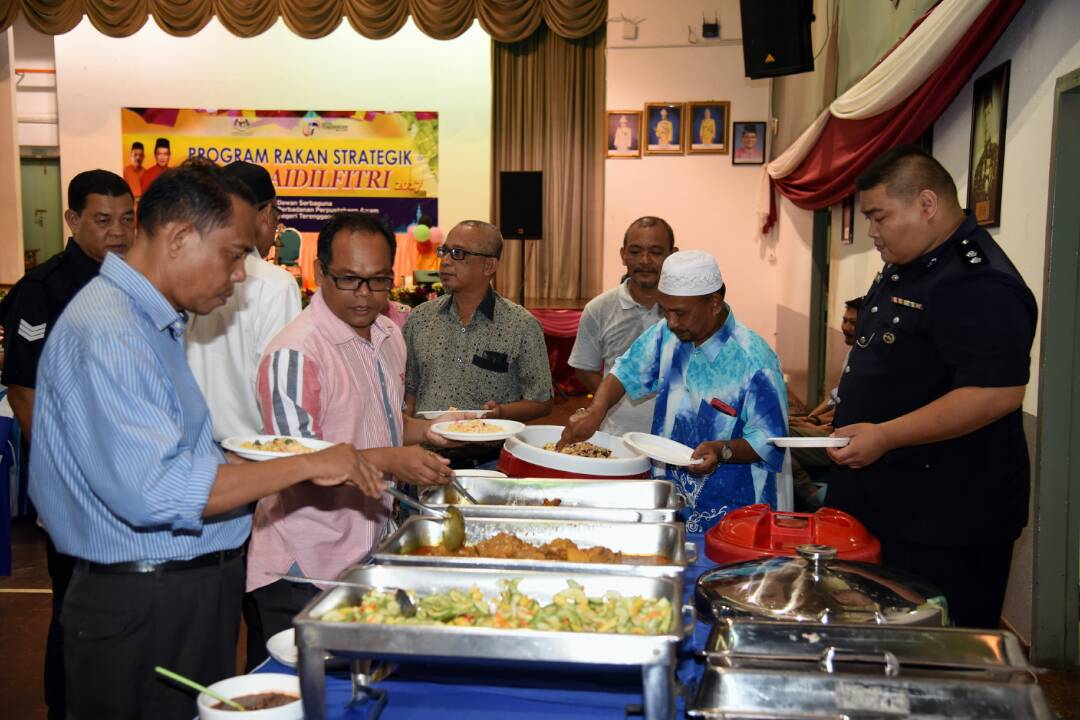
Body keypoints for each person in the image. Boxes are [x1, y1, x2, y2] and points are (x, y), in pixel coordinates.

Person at [27, 165, 384, 720]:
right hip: (145, 600)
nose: (239, 274)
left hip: (178, 591)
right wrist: (307, 462)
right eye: (232, 255)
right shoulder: (112, 332)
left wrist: (247, 460)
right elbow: (160, 491)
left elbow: (173, 456)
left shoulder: (150, 322)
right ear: (178, 238)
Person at [825, 145, 1037, 629]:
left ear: (926, 203)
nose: (872, 232)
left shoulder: (978, 282)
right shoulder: (913, 265)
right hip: (891, 500)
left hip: (946, 515)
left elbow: (995, 394)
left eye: (879, 216)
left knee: (937, 645)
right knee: (880, 638)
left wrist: (886, 435)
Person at [246, 211, 456, 658]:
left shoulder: (388, 334)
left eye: (378, 281)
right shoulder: (295, 354)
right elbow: (295, 466)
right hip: (305, 566)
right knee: (299, 686)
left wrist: (432, 430)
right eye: (349, 279)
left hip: (365, 550)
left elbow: (382, 422)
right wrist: (394, 460)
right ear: (320, 272)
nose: (364, 294)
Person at [0, 169, 134, 720]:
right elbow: (24, 394)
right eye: (103, 220)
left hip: (131, 479)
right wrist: (74, 476)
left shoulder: (136, 282)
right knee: (75, 608)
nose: (118, 232)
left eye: (127, 219)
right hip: (75, 484)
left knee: (126, 607)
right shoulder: (44, 289)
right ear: (73, 220)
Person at [560, 251, 788, 532]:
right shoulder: (667, 335)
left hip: (734, 515)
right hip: (671, 502)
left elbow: (770, 440)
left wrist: (722, 450)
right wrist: (596, 411)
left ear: (714, 303)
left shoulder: (755, 361)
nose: (671, 322)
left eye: (680, 313)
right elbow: (626, 370)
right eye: (665, 311)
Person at [403, 220, 553, 469]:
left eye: (458, 253)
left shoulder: (521, 325)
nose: (446, 261)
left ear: (489, 265)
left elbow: (542, 401)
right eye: (444, 251)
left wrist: (501, 412)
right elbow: (409, 391)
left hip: (489, 462)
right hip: (426, 459)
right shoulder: (420, 319)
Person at [186, 160, 300, 442]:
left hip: (188, 449)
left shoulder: (186, 271)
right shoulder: (275, 284)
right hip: (250, 450)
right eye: (277, 214)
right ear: (264, 213)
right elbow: (281, 388)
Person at [568, 217, 677, 436]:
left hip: (676, 437)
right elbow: (584, 368)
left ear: (672, 255)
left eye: (655, 252)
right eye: (635, 251)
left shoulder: (686, 311)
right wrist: (612, 398)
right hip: (616, 435)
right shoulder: (598, 308)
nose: (644, 260)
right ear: (623, 255)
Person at [787, 296, 862, 510]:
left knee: (779, 438)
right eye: (844, 320)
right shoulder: (854, 353)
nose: (846, 327)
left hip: (846, 437)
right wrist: (811, 418)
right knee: (787, 426)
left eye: (853, 322)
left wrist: (816, 423)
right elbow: (836, 396)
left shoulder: (866, 358)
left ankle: (813, 497)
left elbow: (848, 404)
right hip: (834, 429)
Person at [970, 97, 1000, 223]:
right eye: (984, 117)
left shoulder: (996, 151)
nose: (986, 122)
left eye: (988, 115)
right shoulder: (979, 161)